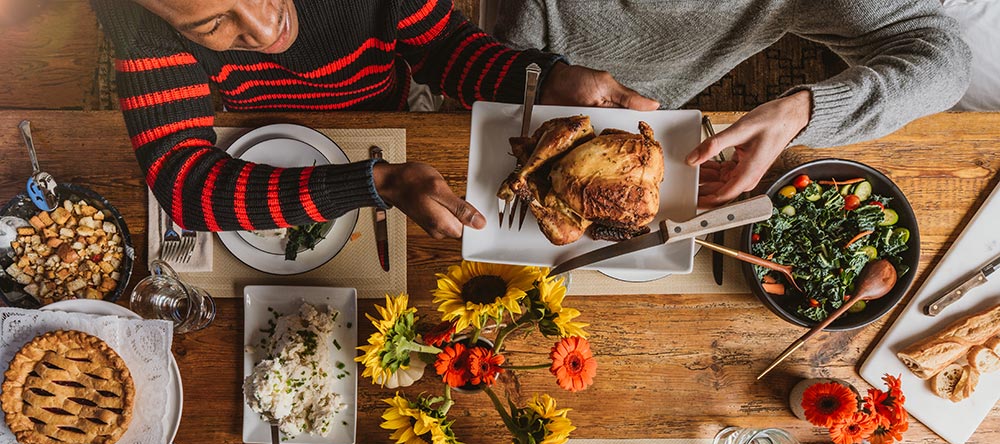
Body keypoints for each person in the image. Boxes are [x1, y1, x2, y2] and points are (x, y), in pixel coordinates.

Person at [90, 0, 657, 240]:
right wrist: (376, 182)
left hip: (387, 108)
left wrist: (541, 80)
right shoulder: (133, 18)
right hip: (252, 136)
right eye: (214, 23)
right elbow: (186, 186)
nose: (266, 32)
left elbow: (443, 49)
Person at [495, 0, 972, 207]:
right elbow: (490, 72)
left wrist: (802, 112)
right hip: (517, 115)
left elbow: (945, 62)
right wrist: (540, 77)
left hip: (650, 155)